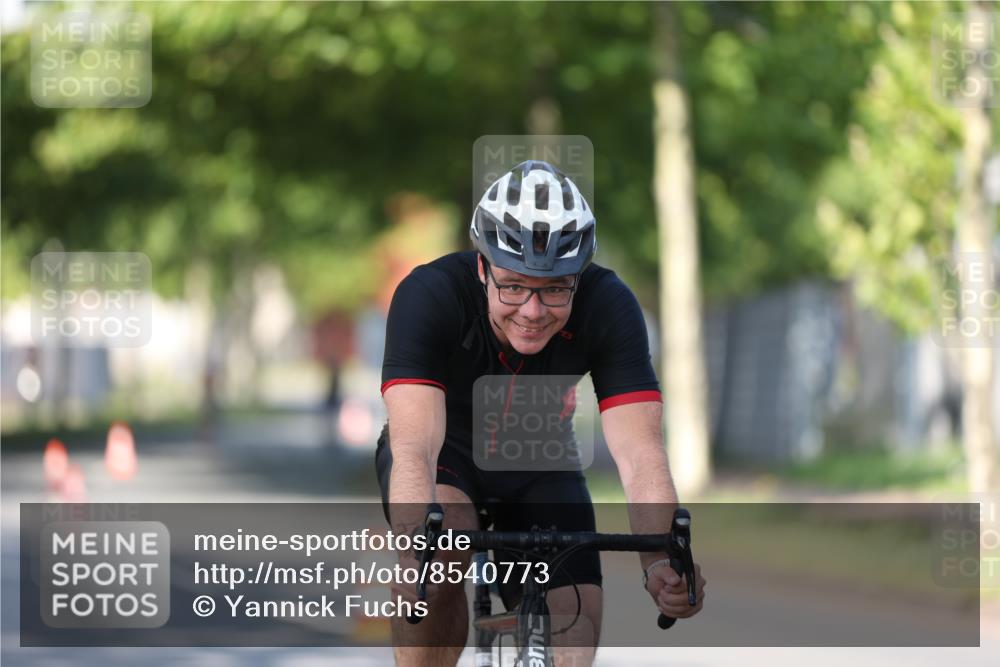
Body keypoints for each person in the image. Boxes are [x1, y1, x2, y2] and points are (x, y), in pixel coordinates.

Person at [375, 160, 705, 666]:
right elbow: (415, 446)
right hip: (445, 453)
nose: (532, 311)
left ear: (578, 278)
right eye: (513, 286)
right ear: (482, 269)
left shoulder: (609, 305)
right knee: (438, 556)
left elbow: (641, 453)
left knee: (574, 630)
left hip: (538, 456)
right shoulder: (430, 295)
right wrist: (411, 552)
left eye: (554, 289)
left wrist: (660, 560)